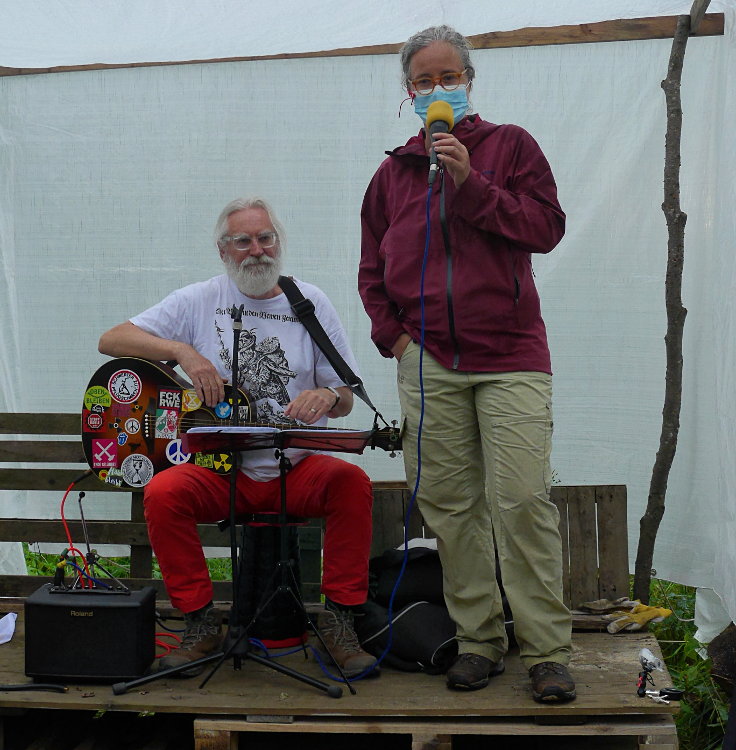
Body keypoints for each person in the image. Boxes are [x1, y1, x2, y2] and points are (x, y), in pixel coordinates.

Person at [358, 25, 575, 702]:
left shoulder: (510, 147)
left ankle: (546, 650)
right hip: (428, 362)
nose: (437, 88)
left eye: (448, 76)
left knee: (521, 501)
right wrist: (395, 339)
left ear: (469, 80)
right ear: (408, 92)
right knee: (449, 506)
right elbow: (372, 271)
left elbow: (545, 228)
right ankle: (480, 641)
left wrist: (470, 183)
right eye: (424, 80)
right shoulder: (391, 174)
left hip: (509, 355)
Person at [99, 197, 377, 679]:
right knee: (163, 492)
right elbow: (112, 339)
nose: (257, 250)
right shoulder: (198, 300)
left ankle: (338, 623)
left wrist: (327, 399)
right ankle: (201, 623)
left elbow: (346, 395)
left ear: (279, 242)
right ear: (223, 250)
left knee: (351, 484)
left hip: (298, 467)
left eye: (265, 238)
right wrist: (182, 351)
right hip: (220, 472)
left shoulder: (308, 303)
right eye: (243, 240)